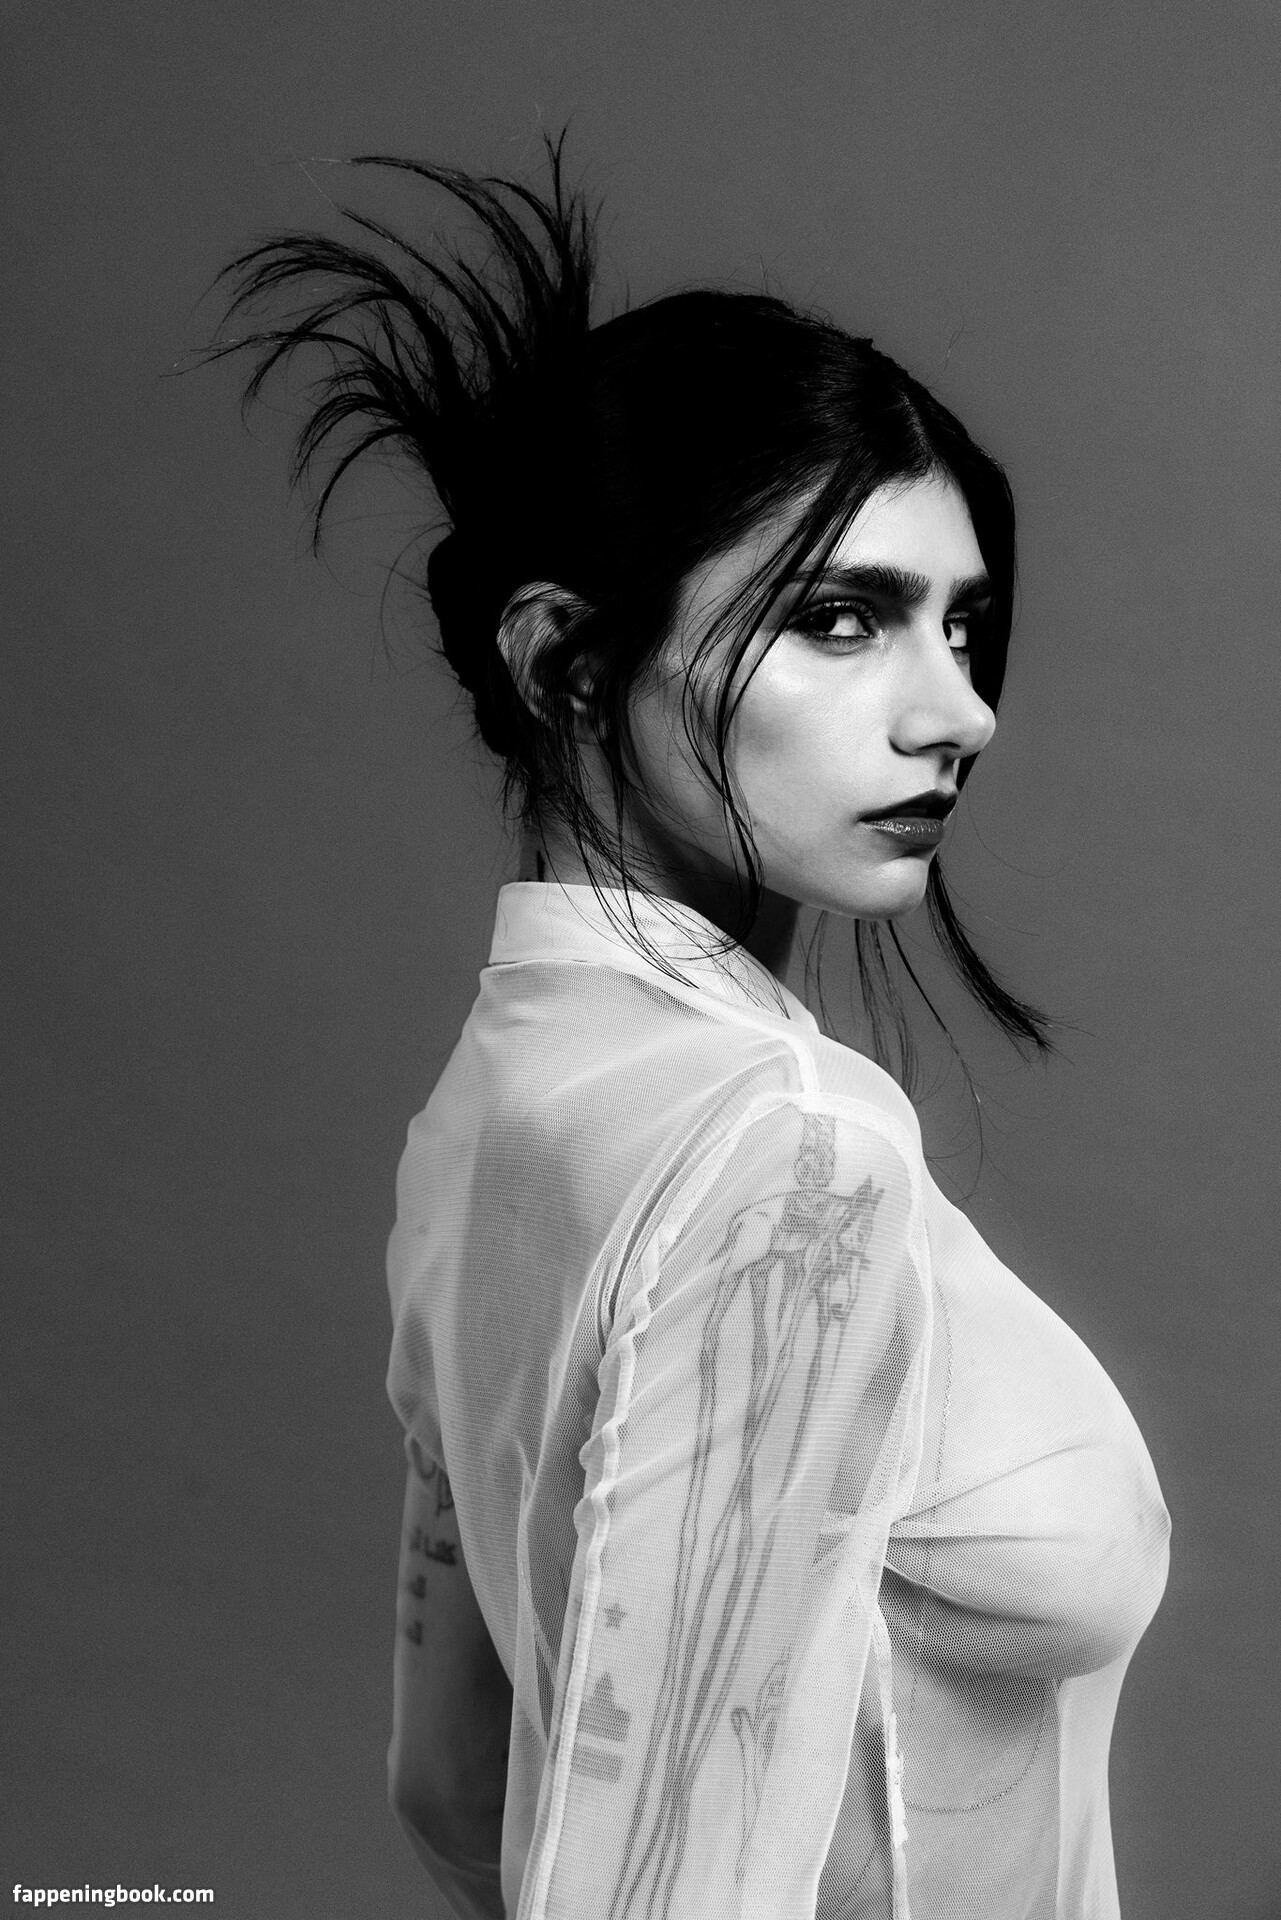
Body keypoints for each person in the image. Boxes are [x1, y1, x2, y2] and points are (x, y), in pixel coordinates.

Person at [215, 139, 1171, 1920]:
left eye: (964, 627)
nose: (958, 710)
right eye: (840, 620)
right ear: (568, 664)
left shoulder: (484, 1113)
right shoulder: (794, 1154)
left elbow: (454, 1794)